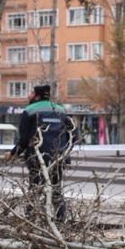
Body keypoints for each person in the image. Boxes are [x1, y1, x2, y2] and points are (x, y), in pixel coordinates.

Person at [9, 84, 76, 222]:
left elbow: (24, 139)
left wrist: (12, 153)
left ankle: (30, 219)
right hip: (58, 157)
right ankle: (61, 219)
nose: (29, 95)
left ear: (37, 96)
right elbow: (73, 133)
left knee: (35, 188)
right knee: (56, 189)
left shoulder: (29, 111)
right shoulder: (61, 110)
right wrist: (66, 152)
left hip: (37, 158)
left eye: (31, 93)